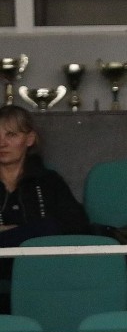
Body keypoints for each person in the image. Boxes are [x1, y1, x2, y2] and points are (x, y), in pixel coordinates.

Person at [0, 105, 90, 249]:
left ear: (30, 139)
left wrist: (14, 232)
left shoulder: (48, 181)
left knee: (48, 227)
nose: (2, 143)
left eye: (11, 135)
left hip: (42, 260)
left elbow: (77, 226)